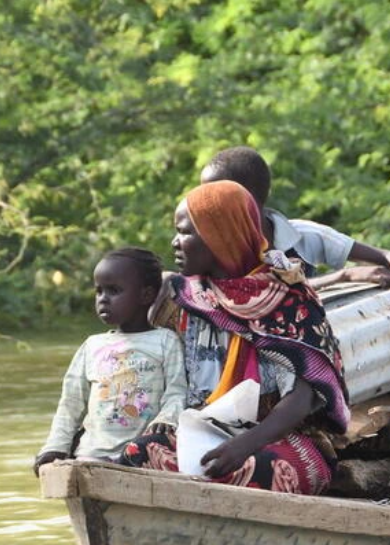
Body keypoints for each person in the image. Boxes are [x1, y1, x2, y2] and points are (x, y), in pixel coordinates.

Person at [118, 180, 349, 495]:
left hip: (276, 438)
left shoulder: (288, 299)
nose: (175, 242)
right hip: (200, 431)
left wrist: (243, 446)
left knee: (255, 473)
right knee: (136, 454)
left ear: (220, 236)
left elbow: (303, 397)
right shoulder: (182, 296)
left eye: (186, 232)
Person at [200, 146, 390, 315]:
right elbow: (264, 296)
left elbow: (386, 257)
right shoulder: (214, 252)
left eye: (215, 197)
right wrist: (341, 277)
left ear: (248, 198)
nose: (206, 206)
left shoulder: (303, 235)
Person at [33, 248, 188, 473]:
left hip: (140, 455)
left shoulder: (165, 341)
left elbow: (177, 390)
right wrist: (55, 447)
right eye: (99, 291)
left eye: (114, 291)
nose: (103, 299)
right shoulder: (91, 346)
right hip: (91, 454)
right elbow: (70, 405)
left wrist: (167, 418)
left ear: (145, 295)